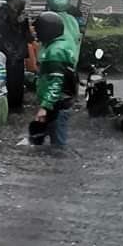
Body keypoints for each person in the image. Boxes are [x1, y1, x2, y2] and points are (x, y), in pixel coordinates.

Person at [33, 11, 77, 148]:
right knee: (44, 137)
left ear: (47, 30)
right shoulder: (62, 45)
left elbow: (55, 83)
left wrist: (45, 107)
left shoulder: (55, 51)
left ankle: (60, 167)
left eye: (38, 30)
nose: (36, 34)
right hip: (59, 102)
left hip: (56, 104)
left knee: (58, 146)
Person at [0, 0, 33, 109]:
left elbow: (25, 32)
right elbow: (3, 30)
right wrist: (18, 21)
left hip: (19, 50)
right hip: (9, 50)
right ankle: (10, 104)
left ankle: (18, 103)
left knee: (19, 78)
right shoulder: (3, 11)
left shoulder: (19, 11)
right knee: (10, 78)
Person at [47, 0, 81, 68]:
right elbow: (77, 37)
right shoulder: (73, 17)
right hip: (69, 53)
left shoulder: (48, 16)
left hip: (52, 55)